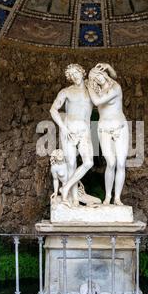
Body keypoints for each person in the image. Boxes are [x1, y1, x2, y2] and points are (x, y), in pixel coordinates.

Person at [50, 64, 94, 206]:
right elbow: (53, 110)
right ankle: (74, 200)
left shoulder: (91, 91)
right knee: (71, 164)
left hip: (84, 130)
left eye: (76, 73)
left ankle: (66, 187)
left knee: (88, 162)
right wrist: (63, 127)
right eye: (71, 75)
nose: (75, 76)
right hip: (69, 129)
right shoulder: (66, 91)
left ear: (82, 73)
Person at [87, 63, 128, 206]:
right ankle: (108, 197)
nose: (98, 78)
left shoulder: (115, 87)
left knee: (121, 163)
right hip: (103, 128)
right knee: (111, 163)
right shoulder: (97, 92)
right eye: (94, 78)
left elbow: (97, 101)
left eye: (99, 74)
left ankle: (117, 198)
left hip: (120, 127)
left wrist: (109, 67)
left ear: (104, 74)